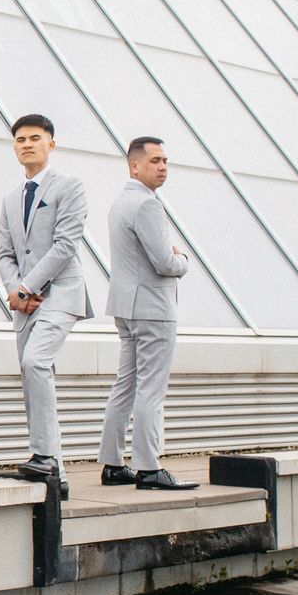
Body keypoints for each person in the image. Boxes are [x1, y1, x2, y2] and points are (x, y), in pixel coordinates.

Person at [0, 114, 91, 499]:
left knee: (36, 362)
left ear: (51, 144)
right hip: (26, 304)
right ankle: (56, 473)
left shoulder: (70, 187)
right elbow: (4, 253)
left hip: (60, 294)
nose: (27, 144)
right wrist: (15, 291)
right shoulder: (9, 199)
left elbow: (66, 245)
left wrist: (27, 286)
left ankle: (46, 456)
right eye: (20, 139)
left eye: (35, 138)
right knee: (31, 374)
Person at [100, 137, 198, 492]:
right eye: (155, 160)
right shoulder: (147, 205)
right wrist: (182, 260)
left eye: (165, 160)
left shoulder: (119, 203)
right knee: (151, 389)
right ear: (134, 166)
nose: (163, 167)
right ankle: (149, 467)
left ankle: (112, 463)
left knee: (125, 384)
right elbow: (164, 262)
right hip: (153, 308)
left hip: (126, 307)